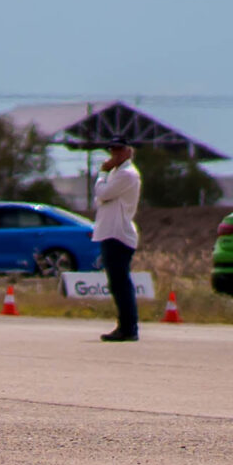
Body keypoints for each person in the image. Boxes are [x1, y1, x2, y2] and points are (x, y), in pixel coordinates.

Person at [92, 143, 142, 341]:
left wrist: (102, 174)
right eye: (112, 150)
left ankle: (129, 328)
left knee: (120, 283)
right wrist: (104, 187)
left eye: (119, 150)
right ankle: (125, 325)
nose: (115, 154)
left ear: (128, 151)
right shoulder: (117, 173)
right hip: (109, 231)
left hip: (119, 233)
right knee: (116, 283)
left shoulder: (126, 174)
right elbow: (100, 199)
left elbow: (102, 194)